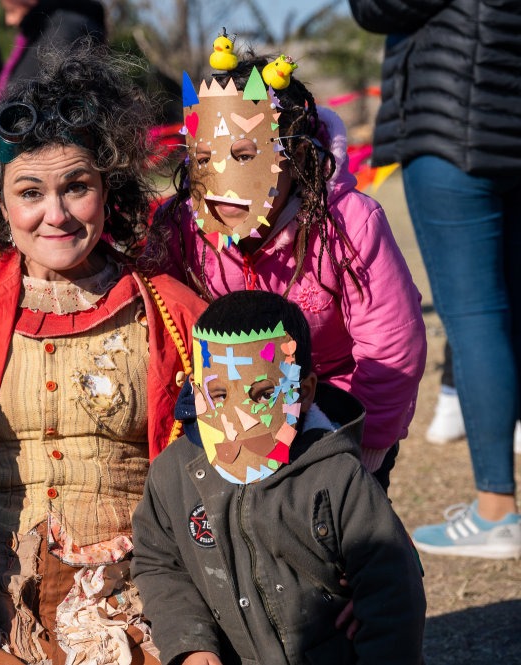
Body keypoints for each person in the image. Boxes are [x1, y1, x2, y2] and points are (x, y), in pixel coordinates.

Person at [0, 42, 207, 664]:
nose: (55, 215)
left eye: (76, 187)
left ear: (109, 192)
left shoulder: (170, 311)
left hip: (138, 597)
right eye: (30, 192)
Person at [153, 49, 426, 492]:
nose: (223, 179)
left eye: (244, 155)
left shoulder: (348, 222)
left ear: (294, 156)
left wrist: (368, 445)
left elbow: (393, 346)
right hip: (225, 407)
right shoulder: (178, 228)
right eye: (205, 159)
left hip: (332, 406)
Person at [131, 289, 426, 665]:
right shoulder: (175, 474)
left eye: (262, 394)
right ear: (196, 388)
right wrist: (191, 644)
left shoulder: (337, 476)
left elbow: (391, 591)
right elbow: (160, 562)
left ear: (302, 393)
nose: (237, 419)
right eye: (219, 394)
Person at [348, 0, 521, 559]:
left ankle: (497, 510)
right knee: (508, 309)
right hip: (508, 123)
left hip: (451, 127)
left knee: (474, 319)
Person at [0, 0, 105, 91]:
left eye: (11, 10)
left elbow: (63, 90)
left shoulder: (62, 29)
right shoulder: (42, 28)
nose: (8, 21)